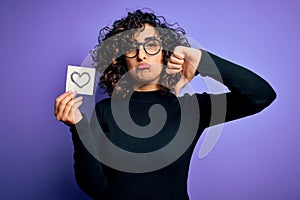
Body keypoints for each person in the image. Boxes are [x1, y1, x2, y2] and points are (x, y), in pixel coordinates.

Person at [54, 9, 276, 200]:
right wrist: (78, 126)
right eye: (131, 48)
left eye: (151, 45)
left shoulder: (191, 109)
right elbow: (96, 189)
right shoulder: (104, 111)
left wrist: (203, 60)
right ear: (123, 59)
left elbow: (261, 96)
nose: (141, 55)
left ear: (165, 54)